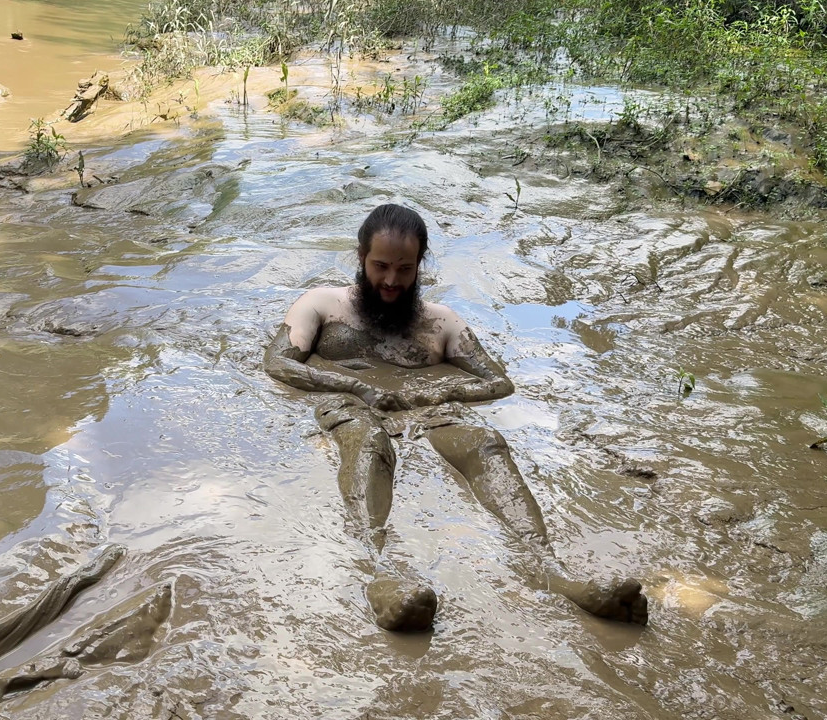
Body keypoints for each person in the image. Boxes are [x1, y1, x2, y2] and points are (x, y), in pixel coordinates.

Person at [263, 204, 648, 631]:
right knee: (370, 443)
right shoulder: (320, 304)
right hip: (349, 404)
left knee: (484, 442)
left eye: (404, 269)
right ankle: (378, 572)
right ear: (361, 257)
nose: (391, 281)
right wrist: (355, 386)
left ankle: (552, 570)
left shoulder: (441, 322)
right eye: (381, 266)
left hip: (429, 408)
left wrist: (441, 391)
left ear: (420, 264)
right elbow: (278, 362)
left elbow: (498, 383)